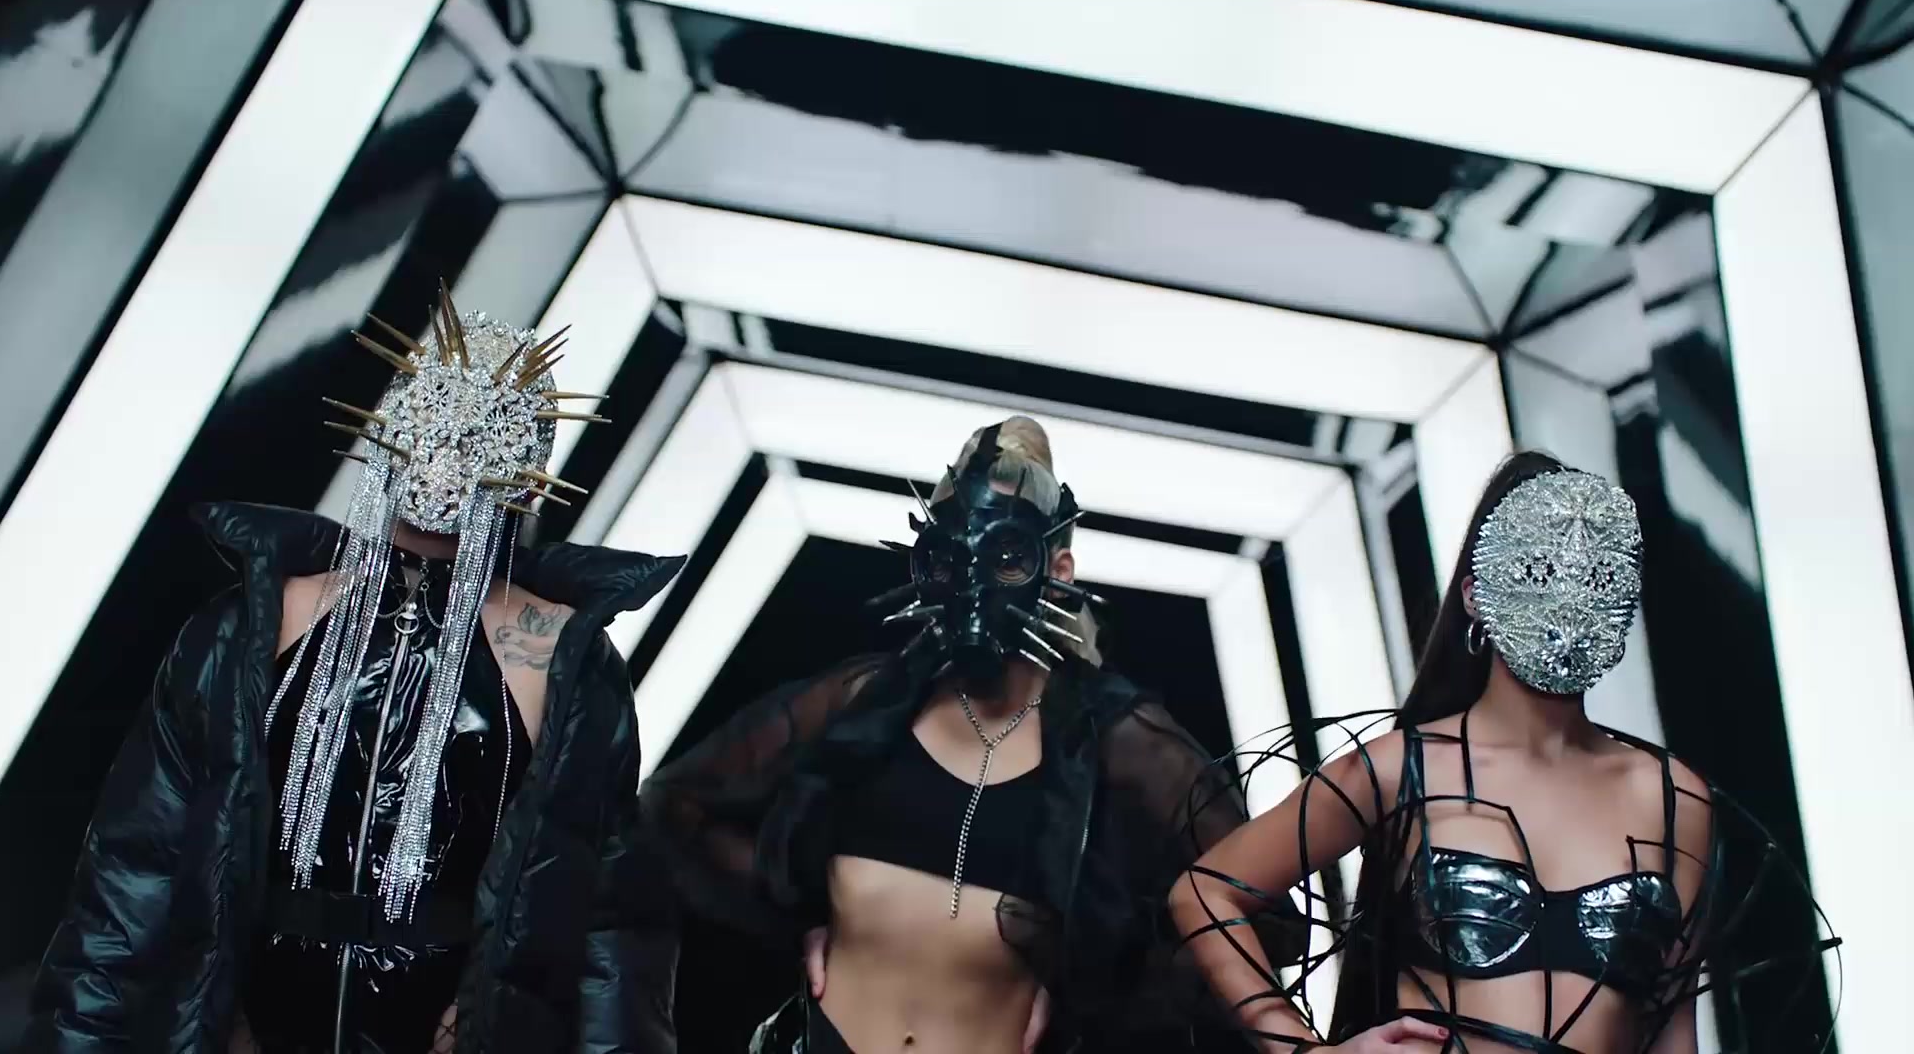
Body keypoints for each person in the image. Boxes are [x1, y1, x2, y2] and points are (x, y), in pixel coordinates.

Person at [25, 286, 685, 1053]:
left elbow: (609, 926)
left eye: (482, 432)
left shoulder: (563, 664)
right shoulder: (246, 631)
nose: (447, 458)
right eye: (435, 414)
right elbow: (131, 879)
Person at [644, 416, 1302, 1054]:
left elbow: (1263, 921)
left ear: (1059, 570)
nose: (974, 581)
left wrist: (1094, 982)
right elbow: (673, 807)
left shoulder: (1122, 742)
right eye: (948, 557)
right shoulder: (864, 705)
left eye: (1008, 557)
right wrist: (805, 917)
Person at [1169, 453, 1839, 1054]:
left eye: (1597, 573)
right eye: (1537, 571)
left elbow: (1670, 1026)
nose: (1567, 597)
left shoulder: (1672, 799)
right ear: (1475, 594)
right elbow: (1205, 893)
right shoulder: (1402, 769)